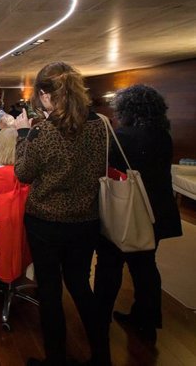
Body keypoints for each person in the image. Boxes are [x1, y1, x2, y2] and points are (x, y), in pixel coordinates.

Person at [14, 62, 110, 366]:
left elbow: (24, 174)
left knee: (51, 292)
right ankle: (102, 357)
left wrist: (21, 136)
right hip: (86, 220)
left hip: (46, 222)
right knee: (81, 287)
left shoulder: (42, 131)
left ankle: (55, 359)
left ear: (44, 95)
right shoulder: (100, 125)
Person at [94, 84, 182, 344]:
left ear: (127, 109)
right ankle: (147, 320)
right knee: (145, 267)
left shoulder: (122, 137)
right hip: (156, 212)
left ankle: (100, 318)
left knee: (109, 265)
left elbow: (107, 169)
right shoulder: (163, 135)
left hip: (127, 210)